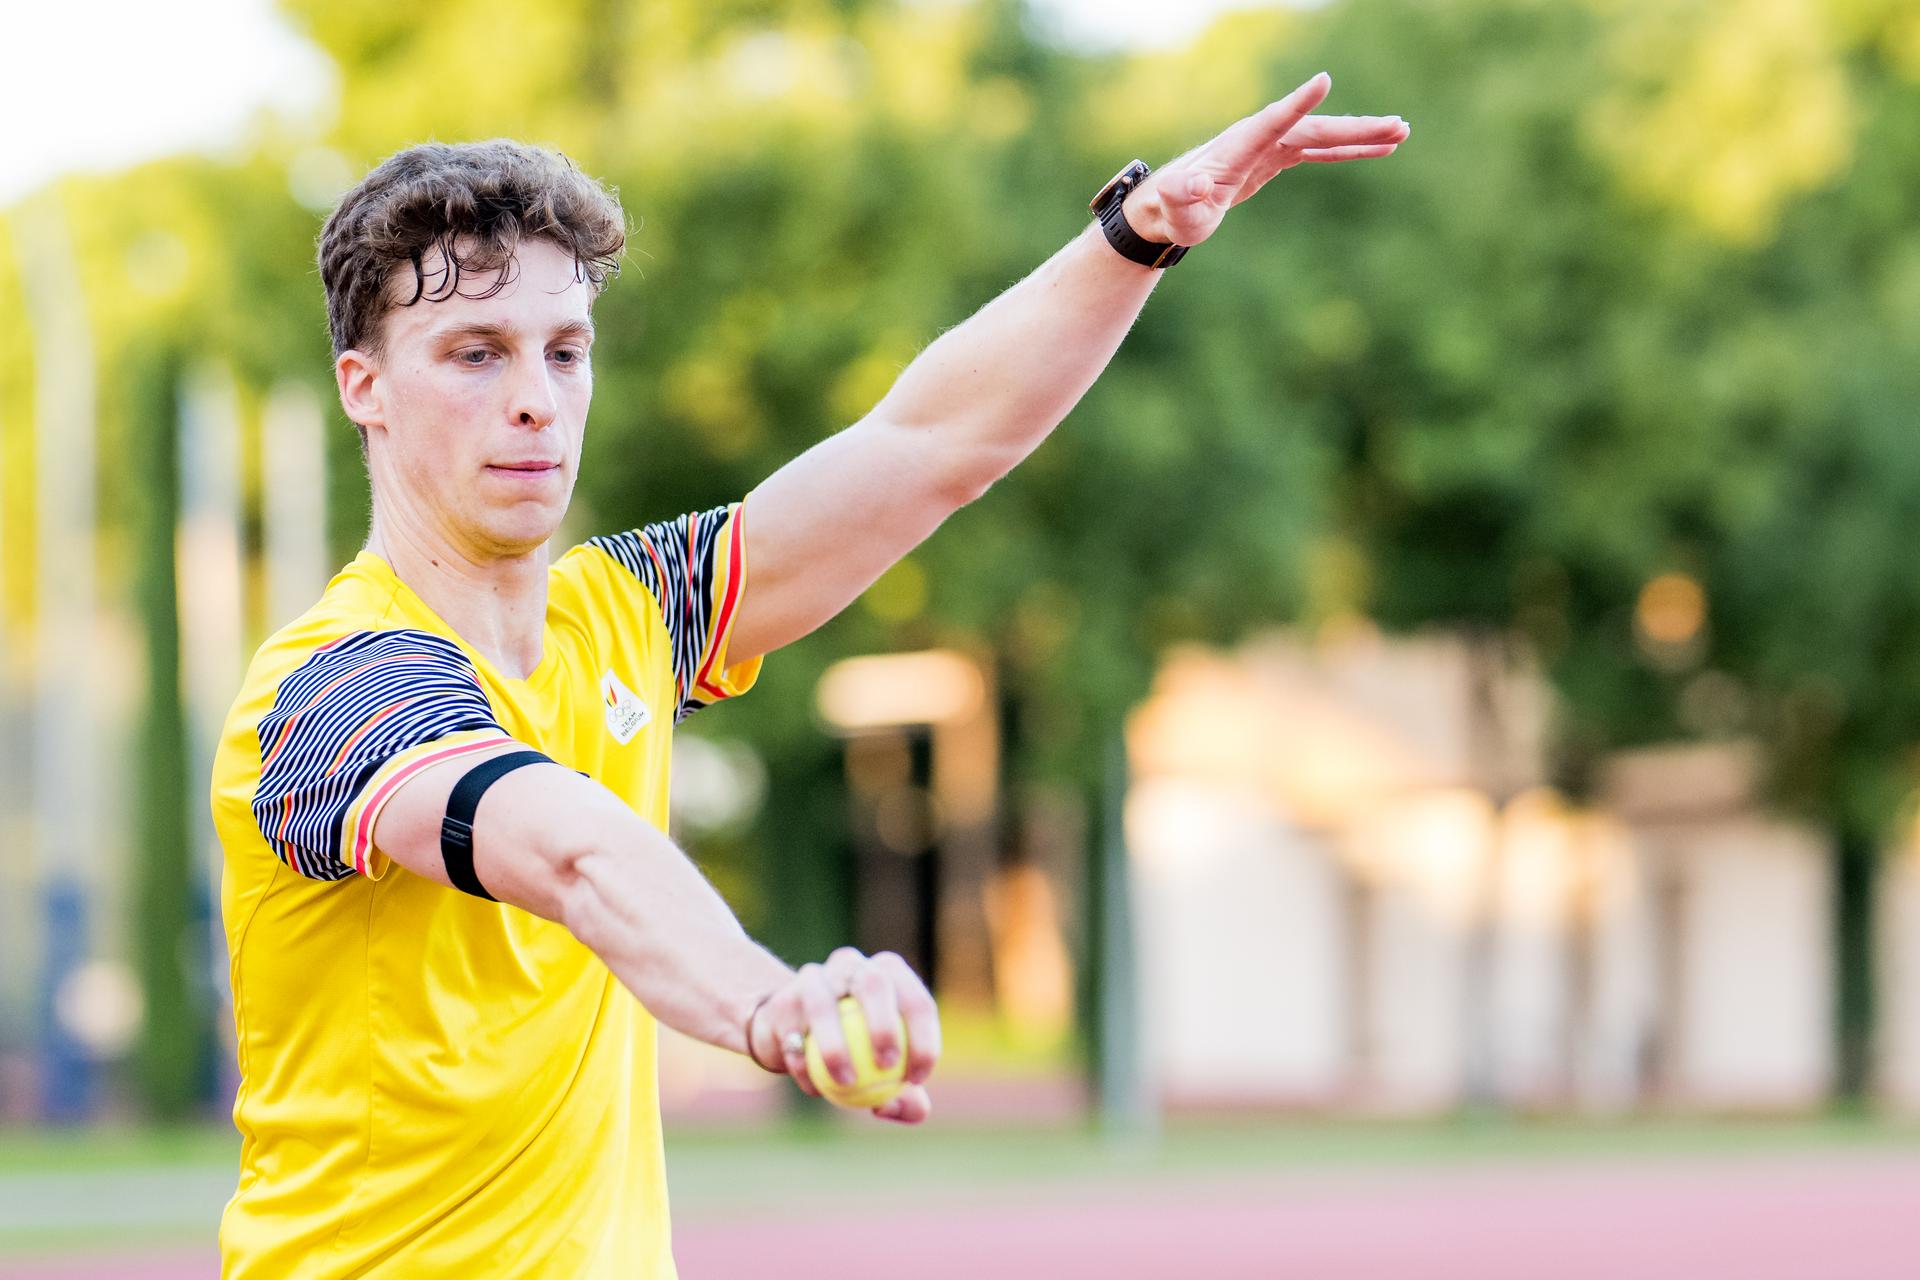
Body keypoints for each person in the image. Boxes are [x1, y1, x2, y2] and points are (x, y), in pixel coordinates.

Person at [209, 70, 1405, 1277]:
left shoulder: (625, 614)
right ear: (364, 387)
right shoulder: (329, 687)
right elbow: (569, 849)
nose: (535, 400)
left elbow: (928, 444)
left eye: (564, 351)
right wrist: (769, 1000)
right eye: (474, 353)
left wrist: (1135, 236)